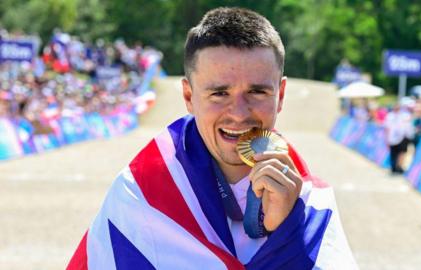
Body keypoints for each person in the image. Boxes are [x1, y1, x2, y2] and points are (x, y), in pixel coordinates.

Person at [67, 7, 357, 269]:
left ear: (279, 96)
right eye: (219, 93)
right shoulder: (139, 195)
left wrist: (289, 233)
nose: (239, 113)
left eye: (257, 92)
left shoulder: (312, 202)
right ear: (189, 96)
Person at [384, 104, 414, 174]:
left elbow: (408, 124)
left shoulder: (403, 115)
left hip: (402, 138)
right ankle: (393, 167)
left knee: (401, 153)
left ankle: (399, 167)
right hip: (392, 138)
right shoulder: (390, 116)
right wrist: (387, 139)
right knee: (393, 153)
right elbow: (386, 128)